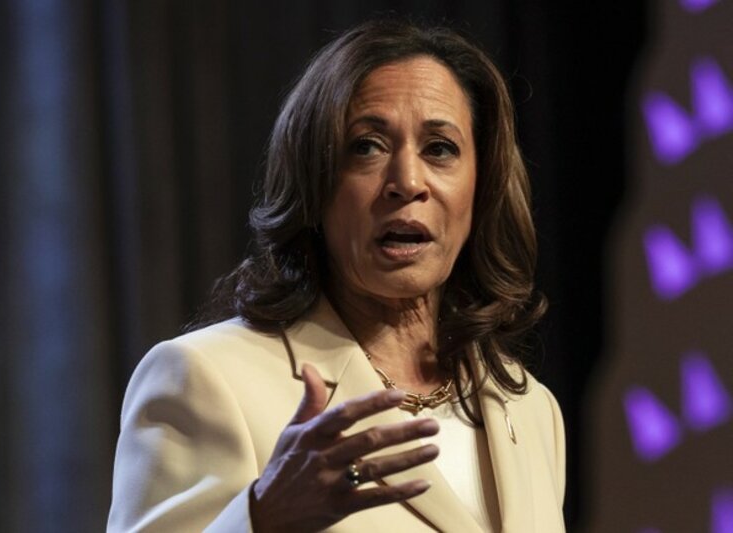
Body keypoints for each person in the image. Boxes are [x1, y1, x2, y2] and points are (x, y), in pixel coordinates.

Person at [108, 18, 565, 533]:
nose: (407, 182)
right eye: (367, 146)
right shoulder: (206, 377)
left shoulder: (529, 409)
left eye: (439, 148)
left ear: (481, 187)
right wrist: (262, 519)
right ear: (314, 184)